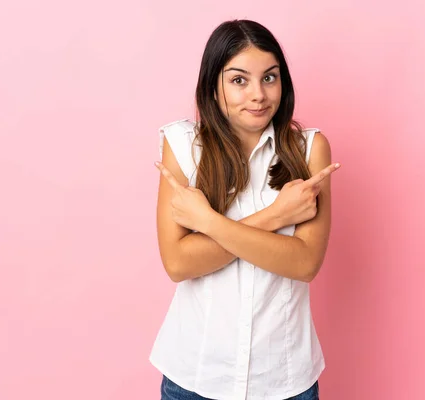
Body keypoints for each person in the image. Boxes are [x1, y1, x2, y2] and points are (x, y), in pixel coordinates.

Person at [150, 19, 339, 400]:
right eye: (239, 80)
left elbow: (304, 264)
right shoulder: (184, 146)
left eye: (269, 78)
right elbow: (178, 263)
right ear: (213, 86)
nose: (258, 95)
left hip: (284, 379)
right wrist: (277, 216)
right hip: (195, 376)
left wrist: (206, 223)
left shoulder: (309, 150)